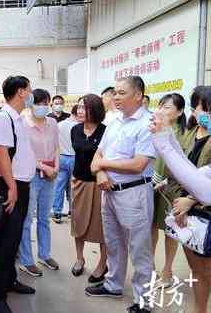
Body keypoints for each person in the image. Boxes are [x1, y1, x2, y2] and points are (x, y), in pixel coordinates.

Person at [86, 76, 156, 313]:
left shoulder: (148, 123)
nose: (115, 97)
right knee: (114, 243)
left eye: (122, 93)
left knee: (139, 248)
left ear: (138, 95)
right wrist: (100, 174)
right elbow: (97, 155)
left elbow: (138, 164)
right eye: (114, 92)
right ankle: (113, 284)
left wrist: (103, 165)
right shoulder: (114, 121)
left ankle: (143, 300)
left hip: (134, 193)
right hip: (109, 192)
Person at [150, 86, 211, 313]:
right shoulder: (190, 132)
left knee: (205, 270)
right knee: (197, 267)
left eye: (205, 109)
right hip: (186, 205)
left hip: (202, 208)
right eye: (199, 109)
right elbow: (186, 167)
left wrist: (191, 200)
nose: (201, 114)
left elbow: (205, 186)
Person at [0, 76, 37, 313]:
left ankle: (10, 280)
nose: (32, 94)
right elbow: (1, 153)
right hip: (10, 186)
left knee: (13, 239)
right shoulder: (2, 117)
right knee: (6, 242)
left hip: (20, 185)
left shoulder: (17, 118)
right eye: (30, 90)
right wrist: (12, 186)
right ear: (20, 92)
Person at [18, 88, 60, 277]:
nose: (42, 107)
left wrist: (56, 167)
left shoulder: (52, 123)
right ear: (30, 104)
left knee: (44, 218)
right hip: (32, 175)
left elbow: (57, 147)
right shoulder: (23, 124)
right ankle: (27, 260)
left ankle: (45, 254)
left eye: (46, 103)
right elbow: (23, 154)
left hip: (50, 176)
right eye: (39, 103)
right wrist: (44, 167)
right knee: (27, 219)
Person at [70, 94, 108, 283]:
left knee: (101, 226)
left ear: (95, 109)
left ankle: (103, 263)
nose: (79, 111)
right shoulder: (75, 130)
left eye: (84, 107)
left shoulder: (105, 131)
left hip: (99, 184)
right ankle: (79, 258)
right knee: (78, 222)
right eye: (78, 107)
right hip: (79, 182)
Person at [150, 93, 186, 289]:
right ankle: (151, 266)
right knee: (151, 227)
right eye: (161, 106)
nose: (162, 110)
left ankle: (168, 269)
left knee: (171, 231)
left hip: (173, 187)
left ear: (179, 112)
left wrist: (166, 179)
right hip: (151, 184)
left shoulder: (184, 133)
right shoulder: (154, 128)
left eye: (168, 107)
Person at [52, 105, 79, 223]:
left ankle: (57, 212)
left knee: (59, 187)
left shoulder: (59, 125)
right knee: (73, 186)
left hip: (61, 157)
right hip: (75, 158)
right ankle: (72, 212)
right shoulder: (79, 126)